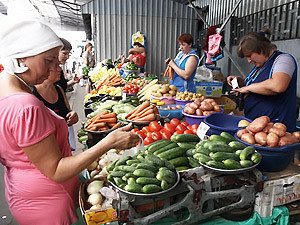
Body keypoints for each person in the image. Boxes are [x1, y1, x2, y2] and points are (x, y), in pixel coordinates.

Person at [0, 19, 139, 225]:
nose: (54, 68)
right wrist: (108, 143)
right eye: (48, 61)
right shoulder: (26, 106)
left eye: (56, 61)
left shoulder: (7, 91)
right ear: (22, 58)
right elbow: (56, 170)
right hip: (48, 206)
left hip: (23, 192)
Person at [227, 31, 297, 132]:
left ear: (262, 49)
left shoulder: (283, 60)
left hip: (275, 129)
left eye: (249, 56)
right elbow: (259, 84)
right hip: (255, 127)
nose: (249, 61)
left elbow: (278, 85)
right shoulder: (260, 65)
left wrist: (247, 88)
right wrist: (242, 82)